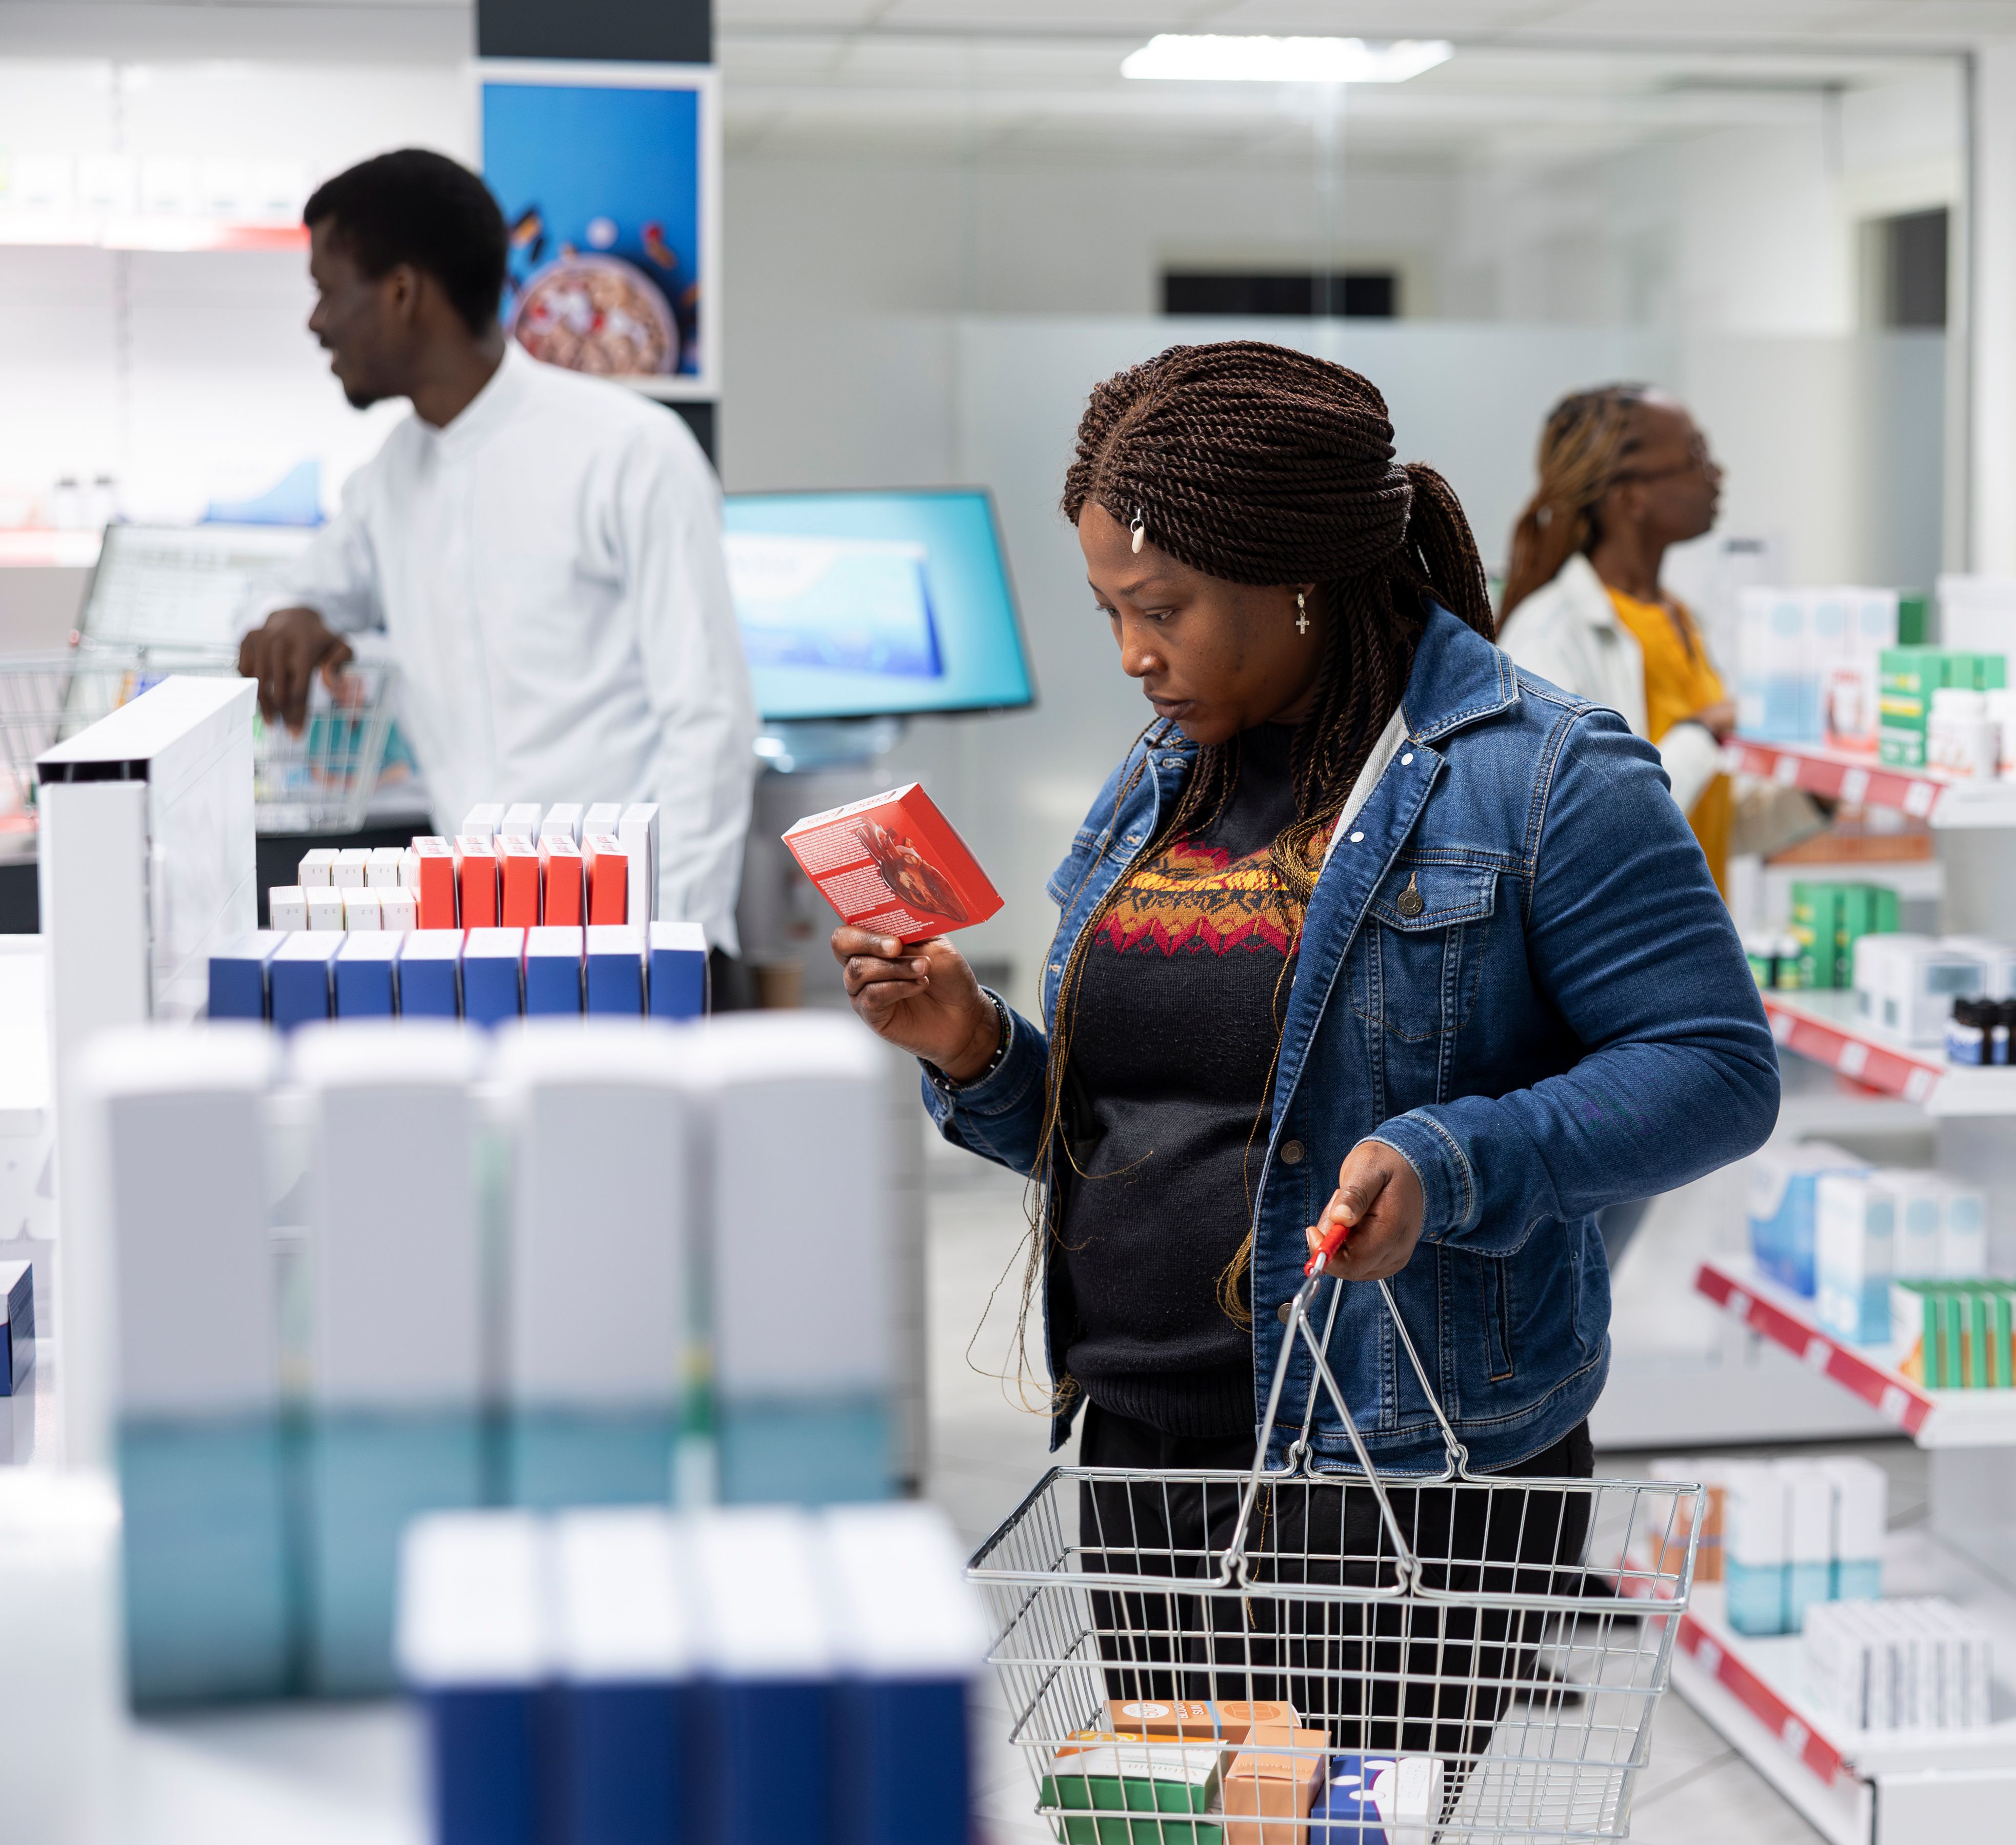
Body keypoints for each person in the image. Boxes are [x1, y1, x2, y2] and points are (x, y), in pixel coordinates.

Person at [830, 341, 1778, 1763]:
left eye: (1163, 608)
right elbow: (1136, 1124)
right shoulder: (1166, 771)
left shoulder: (1543, 773)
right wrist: (975, 1050)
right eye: (1109, 611)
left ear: (1299, 578)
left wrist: (1455, 1158)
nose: (1133, 652)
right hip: (1145, 1449)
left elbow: (1712, 1068)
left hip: (1398, 1460)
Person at [238, 149, 756, 958]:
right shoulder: (389, 479)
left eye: (326, 291)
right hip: (475, 942)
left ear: (403, 293)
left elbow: (710, 717)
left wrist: (671, 944)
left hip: (632, 941)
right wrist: (289, 619)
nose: (316, 323)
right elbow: (287, 594)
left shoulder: (628, 451)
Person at [1494, 386, 1738, 892]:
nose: (1717, 474)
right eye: (1695, 456)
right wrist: (1703, 732)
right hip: (1623, 954)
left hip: (1696, 944)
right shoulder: (1548, 638)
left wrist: (1812, 796)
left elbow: (1701, 818)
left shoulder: (1680, 618)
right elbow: (1588, 832)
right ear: (1629, 498)